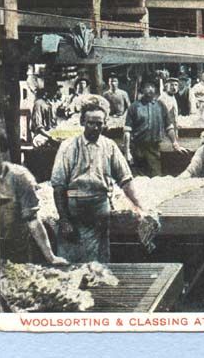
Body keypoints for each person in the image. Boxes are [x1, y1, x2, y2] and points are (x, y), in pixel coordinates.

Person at [51, 99, 148, 263]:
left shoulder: (109, 146)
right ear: (83, 122)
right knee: (70, 263)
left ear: (104, 124)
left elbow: (125, 180)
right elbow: (59, 186)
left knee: (98, 264)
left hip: (99, 210)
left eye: (99, 124)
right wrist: (65, 220)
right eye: (90, 123)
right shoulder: (68, 147)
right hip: (74, 208)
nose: (95, 128)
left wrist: (139, 206)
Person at [0, 132, 67, 265]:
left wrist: (51, 257)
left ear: (2, 151)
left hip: (16, 256)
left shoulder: (19, 177)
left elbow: (33, 220)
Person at [124, 79, 187, 177]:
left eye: (152, 87)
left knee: (156, 178)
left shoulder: (160, 106)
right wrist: (127, 151)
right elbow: (127, 131)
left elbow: (169, 127)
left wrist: (175, 144)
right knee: (139, 182)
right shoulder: (134, 107)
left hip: (154, 148)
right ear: (142, 89)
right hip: (137, 149)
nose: (150, 89)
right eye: (147, 87)